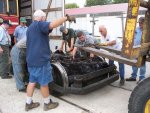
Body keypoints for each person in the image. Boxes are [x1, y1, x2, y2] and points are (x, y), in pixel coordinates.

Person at [25, 10, 75, 111]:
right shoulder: (39, 25)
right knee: (44, 82)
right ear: (41, 18)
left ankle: (28, 103)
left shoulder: (30, 28)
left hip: (31, 60)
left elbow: (45, 32)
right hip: (40, 60)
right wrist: (66, 18)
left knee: (32, 81)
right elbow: (52, 25)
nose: (45, 20)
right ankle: (47, 103)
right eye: (44, 18)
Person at [126, 17, 146, 83]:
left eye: (141, 23)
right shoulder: (137, 29)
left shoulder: (147, 30)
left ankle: (142, 78)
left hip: (142, 50)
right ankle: (133, 77)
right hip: (135, 49)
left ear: (144, 23)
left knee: (142, 64)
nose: (140, 24)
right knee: (134, 63)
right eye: (139, 23)